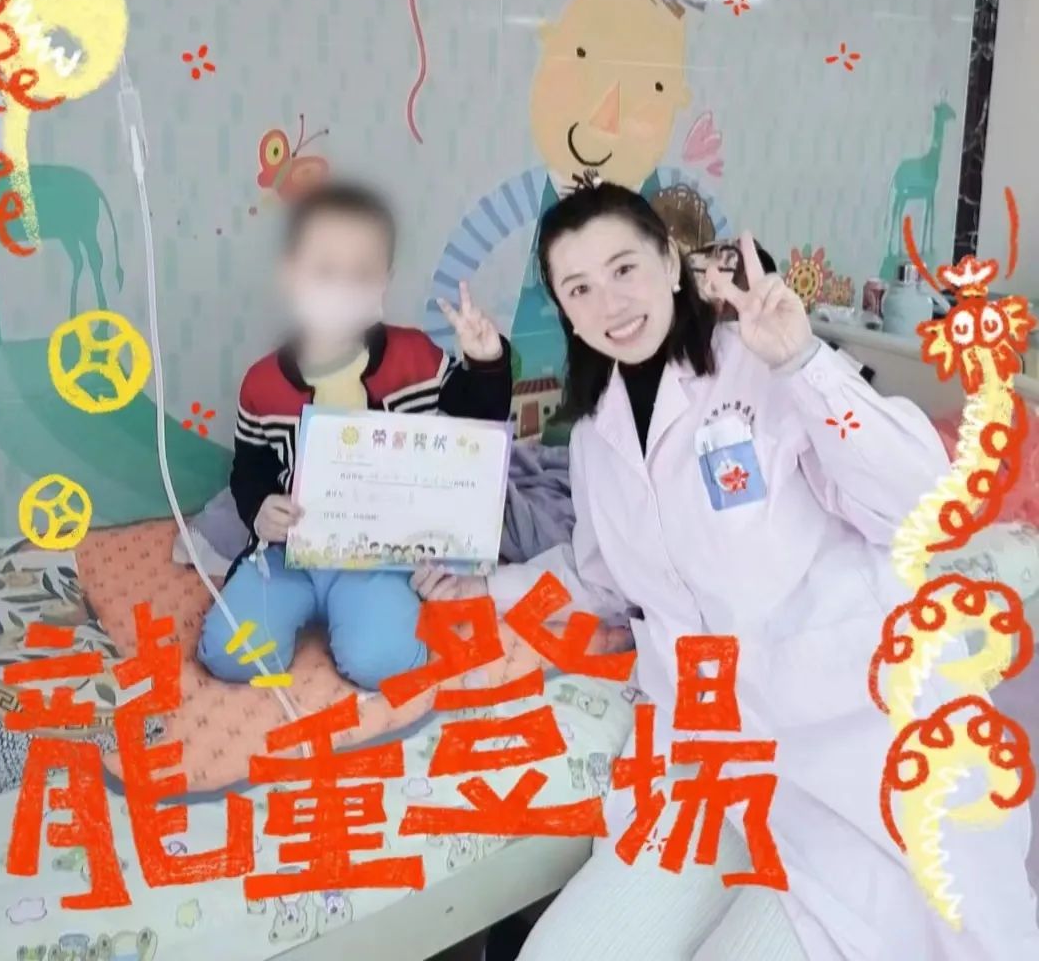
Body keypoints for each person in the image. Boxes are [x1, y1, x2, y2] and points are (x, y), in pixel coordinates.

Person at [414, 182, 1038, 959]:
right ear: (565, 312)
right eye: (579, 288)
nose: (610, 303)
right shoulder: (596, 434)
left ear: (670, 262)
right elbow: (602, 577)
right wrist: (487, 588)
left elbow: (920, 500)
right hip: (704, 756)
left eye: (624, 268)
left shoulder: (759, 364)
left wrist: (805, 362)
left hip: (845, 746)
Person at [197, 181, 512, 691]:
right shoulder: (262, 383)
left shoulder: (418, 359)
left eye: (362, 274)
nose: (343, 289)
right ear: (291, 276)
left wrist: (487, 362)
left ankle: (377, 614)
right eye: (325, 272)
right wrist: (259, 509)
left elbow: (477, 430)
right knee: (232, 655)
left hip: (381, 558)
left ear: (385, 281)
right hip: (289, 554)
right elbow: (249, 468)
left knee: (384, 663)